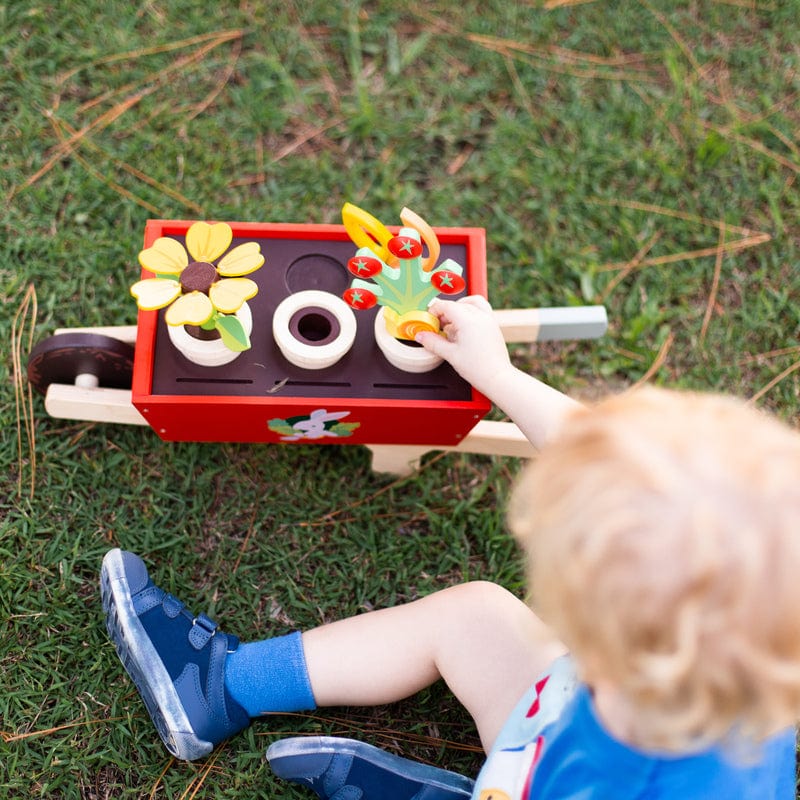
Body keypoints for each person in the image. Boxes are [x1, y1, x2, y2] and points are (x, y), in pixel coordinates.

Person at [100, 296, 800, 799]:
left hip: (537, 772)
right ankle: (217, 689)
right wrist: (495, 374)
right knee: (475, 618)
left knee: (478, 625)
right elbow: (615, 465)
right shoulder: (760, 635)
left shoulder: (621, 782)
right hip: (557, 726)